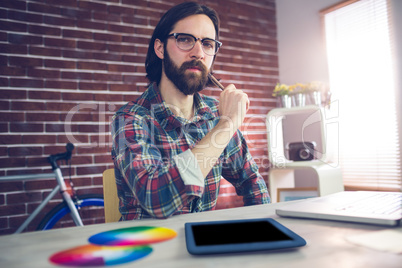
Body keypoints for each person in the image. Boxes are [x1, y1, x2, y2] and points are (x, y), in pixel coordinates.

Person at [111, 2, 270, 220]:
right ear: (160, 48)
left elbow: (253, 183)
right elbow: (158, 201)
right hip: (149, 248)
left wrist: (263, 234)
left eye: (207, 44)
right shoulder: (131, 119)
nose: (198, 53)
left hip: (202, 248)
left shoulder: (215, 113)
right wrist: (226, 125)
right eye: (184, 39)